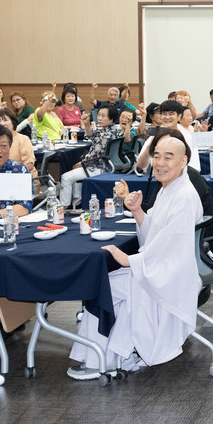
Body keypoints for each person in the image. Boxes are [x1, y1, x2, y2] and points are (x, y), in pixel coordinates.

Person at [68, 135, 203, 379]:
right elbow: (156, 237)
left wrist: (128, 260)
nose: (160, 163)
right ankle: (117, 354)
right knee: (109, 283)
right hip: (162, 269)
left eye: (168, 157)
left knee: (102, 287)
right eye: (156, 156)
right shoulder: (169, 188)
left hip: (170, 278)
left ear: (183, 161)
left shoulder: (183, 196)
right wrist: (138, 210)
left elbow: (169, 250)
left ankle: (100, 361)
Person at [58, 107, 122, 212]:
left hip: (97, 167)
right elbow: (90, 136)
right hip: (105, 165)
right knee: (75, 171)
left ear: (111, 119)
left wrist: (81, 163)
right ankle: (77, 200)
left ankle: (63, 207)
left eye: (103, 116)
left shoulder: (105, 134)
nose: (99, 118)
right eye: (99, 115)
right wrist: (87, 124)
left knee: (65, 177)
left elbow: (95, 156)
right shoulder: (112, 129)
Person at [136, 100, 200, 172]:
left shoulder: (189, 138)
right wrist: (150, 146)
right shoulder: (153, 137)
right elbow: (141, 165)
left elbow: (195, 167)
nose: (167, 117)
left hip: (181, 177)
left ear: (179, 117)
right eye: (164, 114)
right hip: (159, 176)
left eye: (171, 114)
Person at [0, 109, 38, 193]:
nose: (2, 123)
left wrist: (9, 177)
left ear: (13, 122)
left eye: (5, 120)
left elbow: (29, 165)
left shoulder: (23, 139)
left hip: (21, 180)